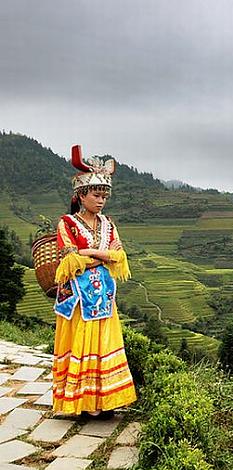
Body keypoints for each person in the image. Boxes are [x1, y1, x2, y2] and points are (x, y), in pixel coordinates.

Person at [52, 145, 136, 418]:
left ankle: (104, 402)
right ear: (81, 195)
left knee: (104, 343)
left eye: (104, 196)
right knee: (81, 341)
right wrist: (102, 257)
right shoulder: (67, 223)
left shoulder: (109, 224)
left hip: (103, 294)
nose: (101, 201)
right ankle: (81, 403)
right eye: (96, 195)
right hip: (78, 295)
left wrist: (89, 253)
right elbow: (70, 262)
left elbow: (120, 256)